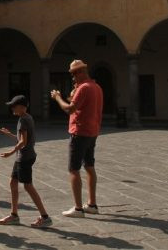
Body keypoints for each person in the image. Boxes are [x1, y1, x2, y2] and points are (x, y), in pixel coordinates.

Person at [50, 59, 104, 218]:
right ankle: (92, 204)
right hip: (92, 131)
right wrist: (73, 93)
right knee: (89, 166)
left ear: (81, 72)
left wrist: (57, 97)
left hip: (79, 132)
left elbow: (69, 109)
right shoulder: (96, 87)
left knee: (74, 169)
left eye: (74, 74)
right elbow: (82, 106)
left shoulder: (84, 88)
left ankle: (78, 208)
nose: (73, 78)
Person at [0, 95, 52, 228]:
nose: (12, 108)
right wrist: (9, 134)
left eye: (14, 106)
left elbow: (23, 141)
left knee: (28, 186)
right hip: (24, 156)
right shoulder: (28, 117)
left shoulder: (23, 120)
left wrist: (10, 153)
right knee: (13, 182)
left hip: (24, 157)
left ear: (22, 107)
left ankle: (45, 217)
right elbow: (21, 138)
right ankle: (14, 215)